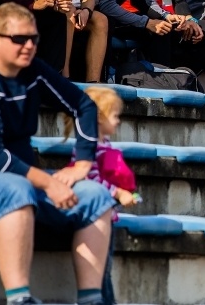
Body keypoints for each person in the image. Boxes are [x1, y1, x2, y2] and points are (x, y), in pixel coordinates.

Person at [0, 3, 114, 305]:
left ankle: (93, 299)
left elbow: (84, 106)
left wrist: (83, 162)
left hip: (22, 174)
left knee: (95, 195)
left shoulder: (34, 70)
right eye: (19, 39)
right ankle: (19, 298)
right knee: (17, 189)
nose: (28, 46)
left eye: (34, 39)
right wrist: (49, 182)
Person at [64, 86, 136, 305]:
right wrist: (117, 192)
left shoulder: (104, 143)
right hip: (97, 219)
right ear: (98, 118)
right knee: (100, 270)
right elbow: (90, 178)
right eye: (114, 116)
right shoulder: (88, 147)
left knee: (106, 269)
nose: (118, 121)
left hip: (108, 215)